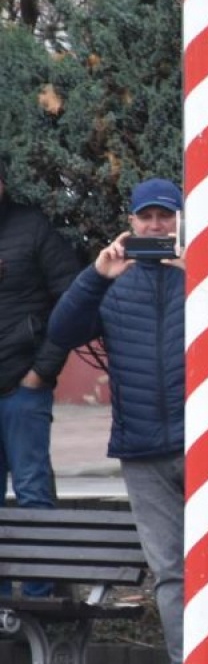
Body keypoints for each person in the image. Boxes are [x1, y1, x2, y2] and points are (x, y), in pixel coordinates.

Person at [47, 178, 208, 664]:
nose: (156, 227)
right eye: (146, 218)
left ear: (182, 220)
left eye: (166, 217)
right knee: (171, 573)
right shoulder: (113, 280)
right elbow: (62, 329)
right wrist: (95, 275)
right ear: (130, 224)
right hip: (142, 449)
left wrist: (203, 269)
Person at [0, 162, 78, 598]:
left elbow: (71, 300)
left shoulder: (33, 229)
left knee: (32, 494)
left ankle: (40, 599)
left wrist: (42, 370)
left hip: (22, 391)